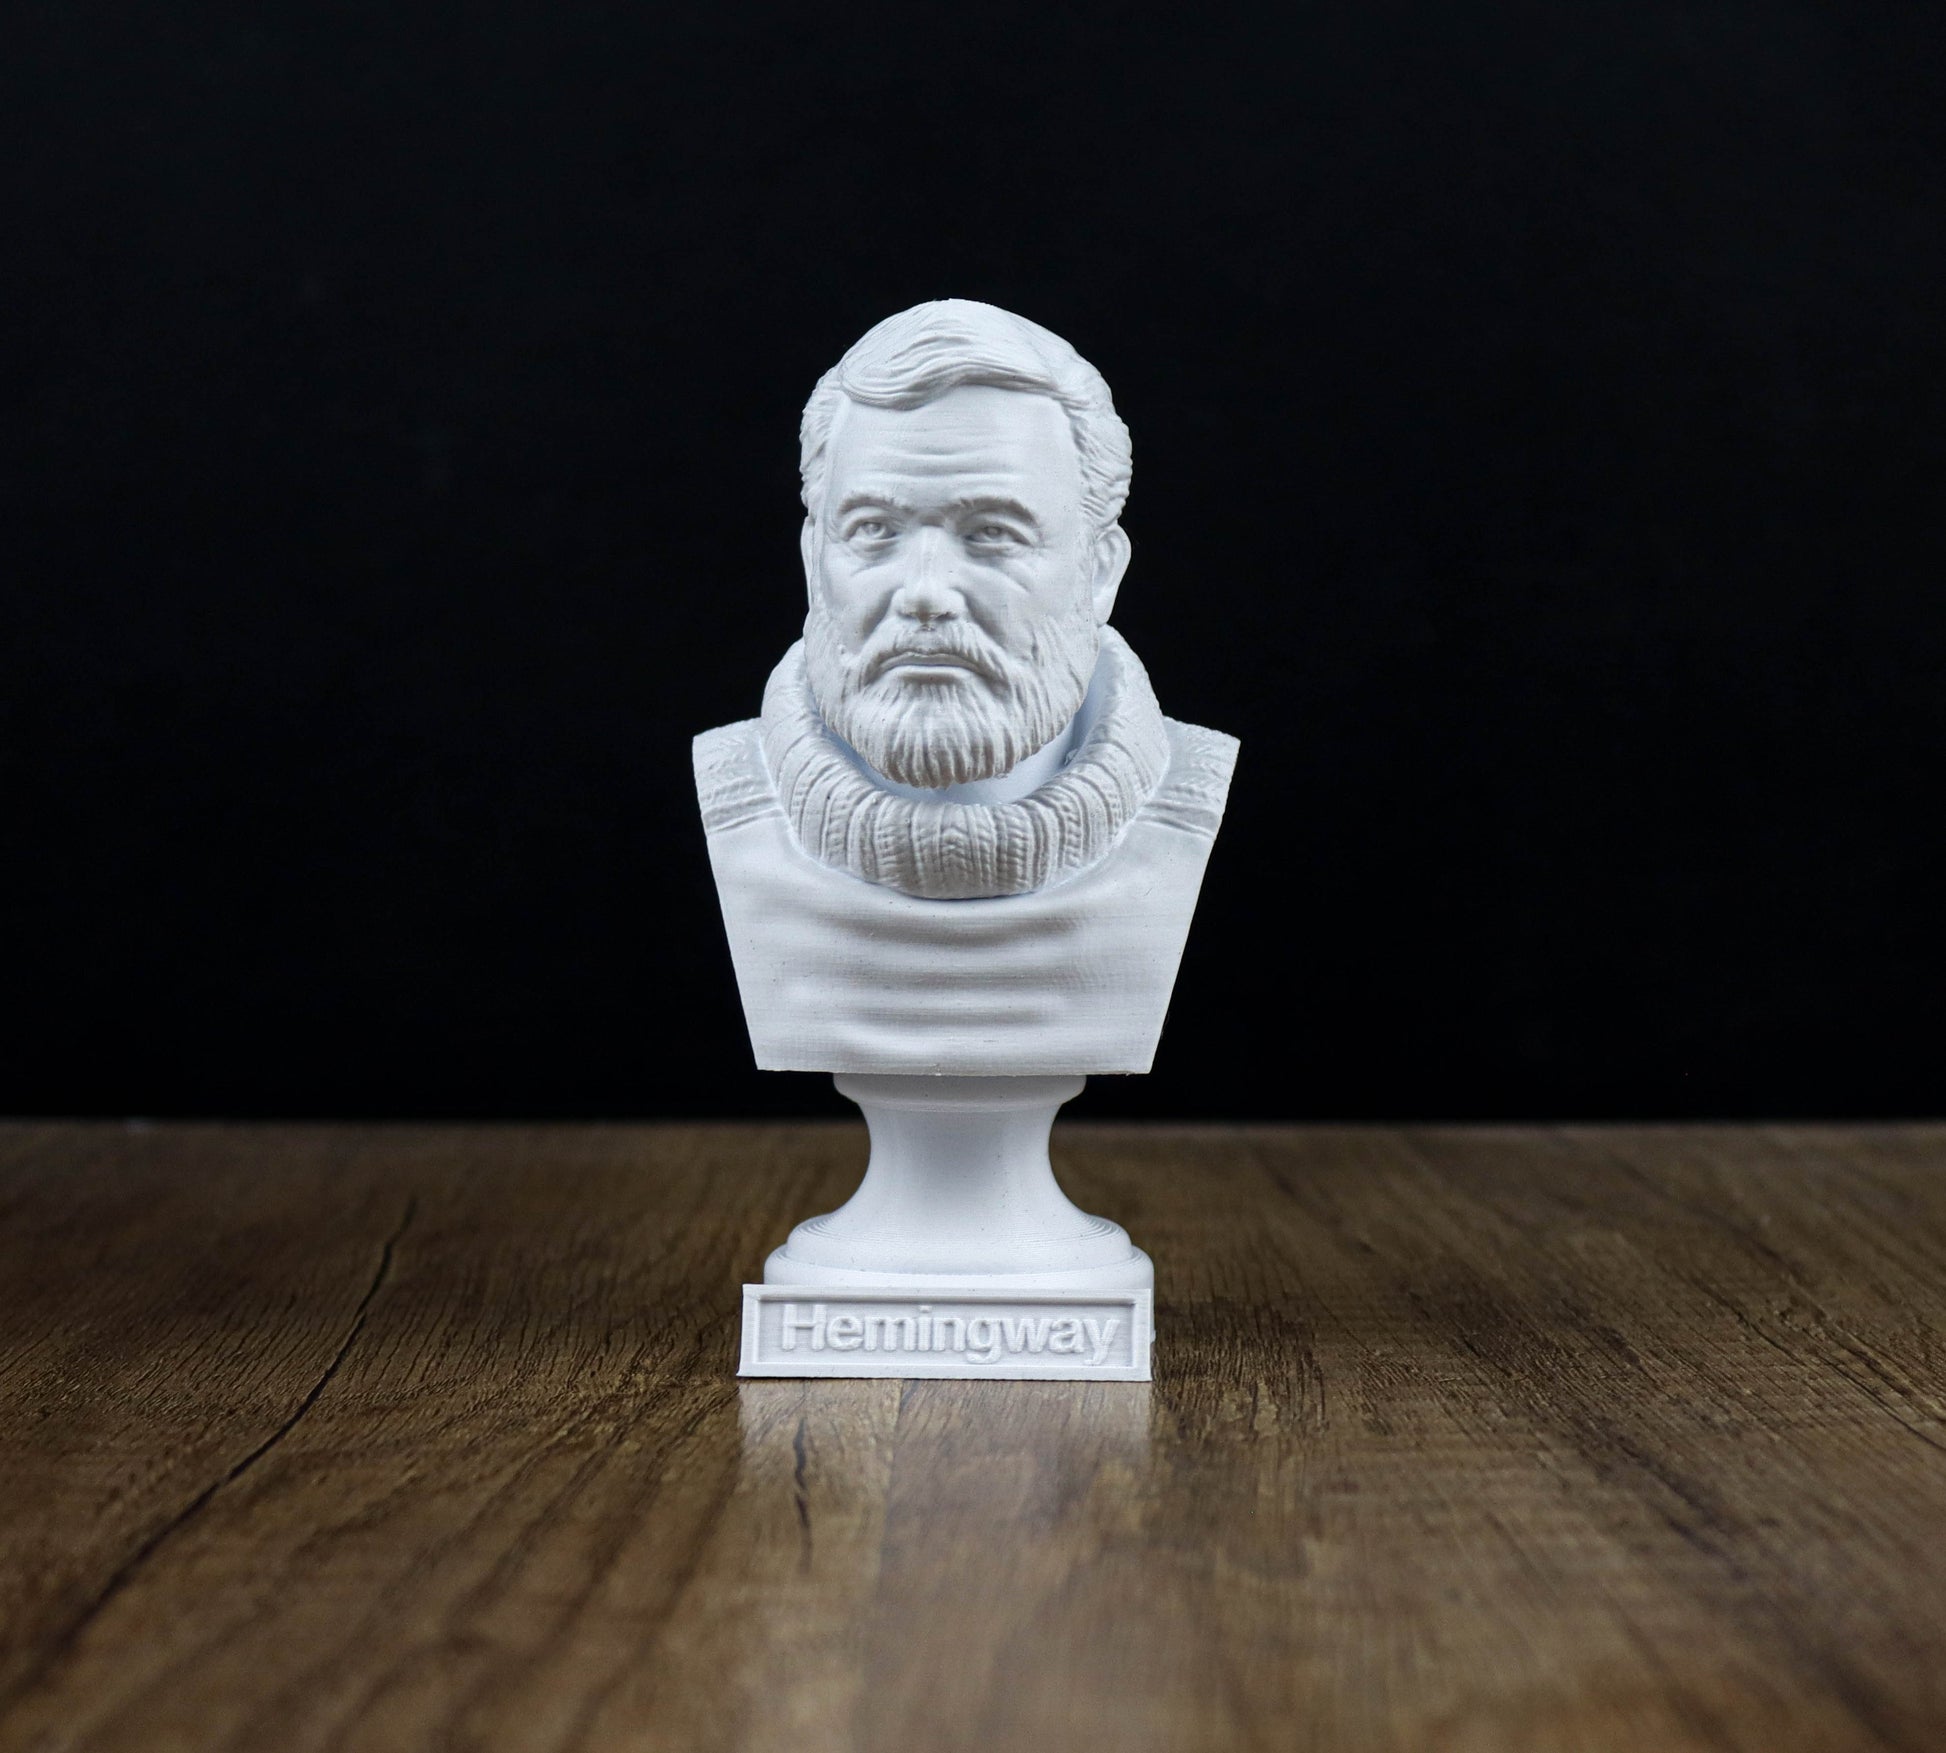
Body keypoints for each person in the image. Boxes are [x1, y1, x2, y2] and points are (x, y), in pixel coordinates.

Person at [695, 300, 1237, 1074]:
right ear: (815, 561)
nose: (925, 592)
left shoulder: (1185, 806)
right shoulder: (735, 806)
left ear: (1099, 571)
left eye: (992, 534)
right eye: (874, 530)